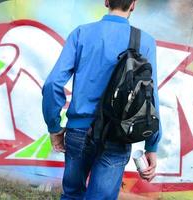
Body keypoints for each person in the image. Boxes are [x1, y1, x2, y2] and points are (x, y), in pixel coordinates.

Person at [42, 0, 161, 199]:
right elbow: (151, 96)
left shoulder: (81, 33)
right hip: (117, 134)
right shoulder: (145, 42)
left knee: (71, 194)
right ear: (133, 4)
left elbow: (52, 84)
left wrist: (54, 127)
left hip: (78, 130)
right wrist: (152, 144)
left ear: (106, 1)